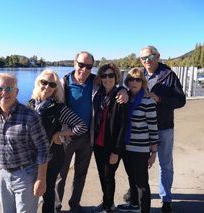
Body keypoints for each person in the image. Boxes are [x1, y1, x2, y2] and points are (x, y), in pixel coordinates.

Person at [55, 51, 128, 213]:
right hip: (67, 137)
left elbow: (112, 83)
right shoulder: (63, 83)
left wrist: (123, 90)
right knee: (61, 175)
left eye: (88, 66)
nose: (84, 69)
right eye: (81, 65)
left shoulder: (95, 81)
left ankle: (75, 204)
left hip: (88, 137)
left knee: (81, 174)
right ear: (75, 63)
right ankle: (56, 206)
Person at [122, 46, 186, 213]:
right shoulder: (138, 75)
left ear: (157, 56)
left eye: (150, 56)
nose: (147, 60)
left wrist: (159, 98)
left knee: (165, 164)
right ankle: (136, 193)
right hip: (141, 130)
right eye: (143, 57)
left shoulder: (169, 75)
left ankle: (166, 199)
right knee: (138, 164)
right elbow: (129, 89)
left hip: (163, 126)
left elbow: (180, 100)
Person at [0, 73, 50, 213]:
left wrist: (41, 179)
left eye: (9, 88)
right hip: (1, 174)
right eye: (0, 89)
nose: (4, 93)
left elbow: (43, 149)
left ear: (16, 91)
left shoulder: (30, 116)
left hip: (26, 175)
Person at [26, 69, 88, 213]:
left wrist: (58, 134)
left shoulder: (59, 108)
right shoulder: (29, 105)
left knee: (48, 194)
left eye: (52, 85)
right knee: (29, 193)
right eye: (44, 82)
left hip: (52, 158)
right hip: (31, 158)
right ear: (38, 83)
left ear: (55, 89)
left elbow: (81, 126)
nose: (47, 87)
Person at [117, 68, 159, 213]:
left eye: (138, 79)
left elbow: (153, 128)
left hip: (140, 148)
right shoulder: (125, 99)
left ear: (143, 82)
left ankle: (144, 209)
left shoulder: (148, 100)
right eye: (131, 79)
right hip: (126, 146)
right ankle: (134, 203)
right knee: (131, 178)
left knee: (141, 182)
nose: (134, 82)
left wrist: (154, 152)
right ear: (127, 82)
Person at [92, 63, 128, 213]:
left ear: (116, 77)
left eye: (111, 75)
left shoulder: (120, 98)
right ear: (100, 78)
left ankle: (108, 207)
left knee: (108, 176)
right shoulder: (98, 95)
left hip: (111, 146)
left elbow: (122, 127)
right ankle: (107, 202)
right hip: (97, 144)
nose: (107, 78)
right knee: (102, 175)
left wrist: (116, 151)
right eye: (104, 75)